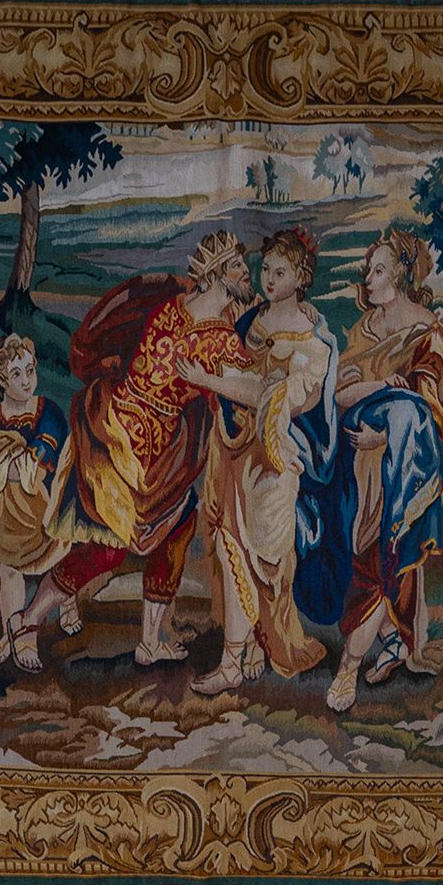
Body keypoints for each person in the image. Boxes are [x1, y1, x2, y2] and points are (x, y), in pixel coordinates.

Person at [6, 229, 257, 674]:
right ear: (218, 274)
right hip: (139, 448)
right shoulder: (219, 337)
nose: (246, 272)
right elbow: (249, 388)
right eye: (238, 265)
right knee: (110, 547)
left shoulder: (176, 305)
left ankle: (148, 640)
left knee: (174, 526)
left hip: (120, 421)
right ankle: (27, 621)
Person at [174, 227, 343, 697]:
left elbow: (273, 396)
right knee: (231, 547)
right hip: (234, 449)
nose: (268, 278)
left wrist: (211, 380)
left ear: (301, 277)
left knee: (265, 557)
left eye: (280, 272)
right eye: (265, 269)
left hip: (275, 460)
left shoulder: (312, 341)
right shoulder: (248, 322)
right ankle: (233, 656)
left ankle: (255, 643)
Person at [322, 228, 443, 713]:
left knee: (378, 560)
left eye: (378, 270)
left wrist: (386, 437)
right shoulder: (364, 330)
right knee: (358, 554)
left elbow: (424, 414)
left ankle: (348, 668)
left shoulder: (430, 332)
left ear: (401, 276)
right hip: (354, 464)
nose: (369, 277)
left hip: (400, 466)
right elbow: (340, 396)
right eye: (369, 269)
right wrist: (383, 384)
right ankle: (394, 640)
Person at [0, 334, 72, 667]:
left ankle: (68, 602)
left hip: (46, 501)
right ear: (1, 380)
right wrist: (2, 467)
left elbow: (49, 445)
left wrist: (25, 463)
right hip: (9, 510)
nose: (26, 380)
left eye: (30, 371)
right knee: (9, 571)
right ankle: (15, 636)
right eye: (17, 374)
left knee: (60, 554)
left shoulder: (46, 409)